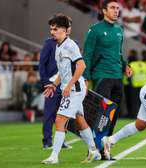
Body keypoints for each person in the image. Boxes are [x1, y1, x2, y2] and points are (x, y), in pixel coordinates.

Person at [41, 14, 100, 164]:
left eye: (55, 29)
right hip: (71, 88)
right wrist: (54, 85)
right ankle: (94, 151)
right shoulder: (58, 46)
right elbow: (62, 71)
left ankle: (54, 157)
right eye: (51, 29)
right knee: (80, 121)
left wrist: (68, 86)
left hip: (74, 89)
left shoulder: (70, 45)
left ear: (65, 30)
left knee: (59, 120)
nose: (52, 32)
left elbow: (81, 66)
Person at [82, 0, 132, 158]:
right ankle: (92, 149)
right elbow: (87, 55)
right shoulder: (95, 30)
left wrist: (125, 66)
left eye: (118, 8)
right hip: (102, 76)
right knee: (100, 115)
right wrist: (85, 77)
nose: (116, 11)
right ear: (104, 11)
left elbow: (118, 53)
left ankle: (105, 149)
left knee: (113, 115)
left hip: (118, 77)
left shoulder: (119, 30)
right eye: (112, 8)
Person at [39, 13, 72, 150]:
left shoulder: (72, 44)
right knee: (49, 114)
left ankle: (61, 140)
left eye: (69, 26)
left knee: (64, 114)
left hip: (65, 85)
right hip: (52, 85)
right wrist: (46, 82)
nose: (68, 28)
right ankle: (47, 140)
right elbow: (42, 64)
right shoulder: (49, 43)